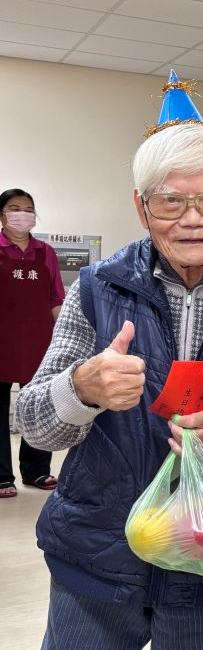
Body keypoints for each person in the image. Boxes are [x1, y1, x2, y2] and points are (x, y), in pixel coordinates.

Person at [16, 72, 203, 650]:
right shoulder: (98, 290)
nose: (193, 219)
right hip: (98, 557)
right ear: (141, 207)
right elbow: (33, 424)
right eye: (170, 201)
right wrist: (82, 388)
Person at [0, 189, 63, 498]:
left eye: (28, 209)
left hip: (39, 342)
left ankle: (36, 469)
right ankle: (1, 476)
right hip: (1, 341)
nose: (22, 214)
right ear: (2, 215)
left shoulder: (45, 252)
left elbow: (55, 299)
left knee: (37, 408)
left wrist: (63, 338)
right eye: (14, 208)